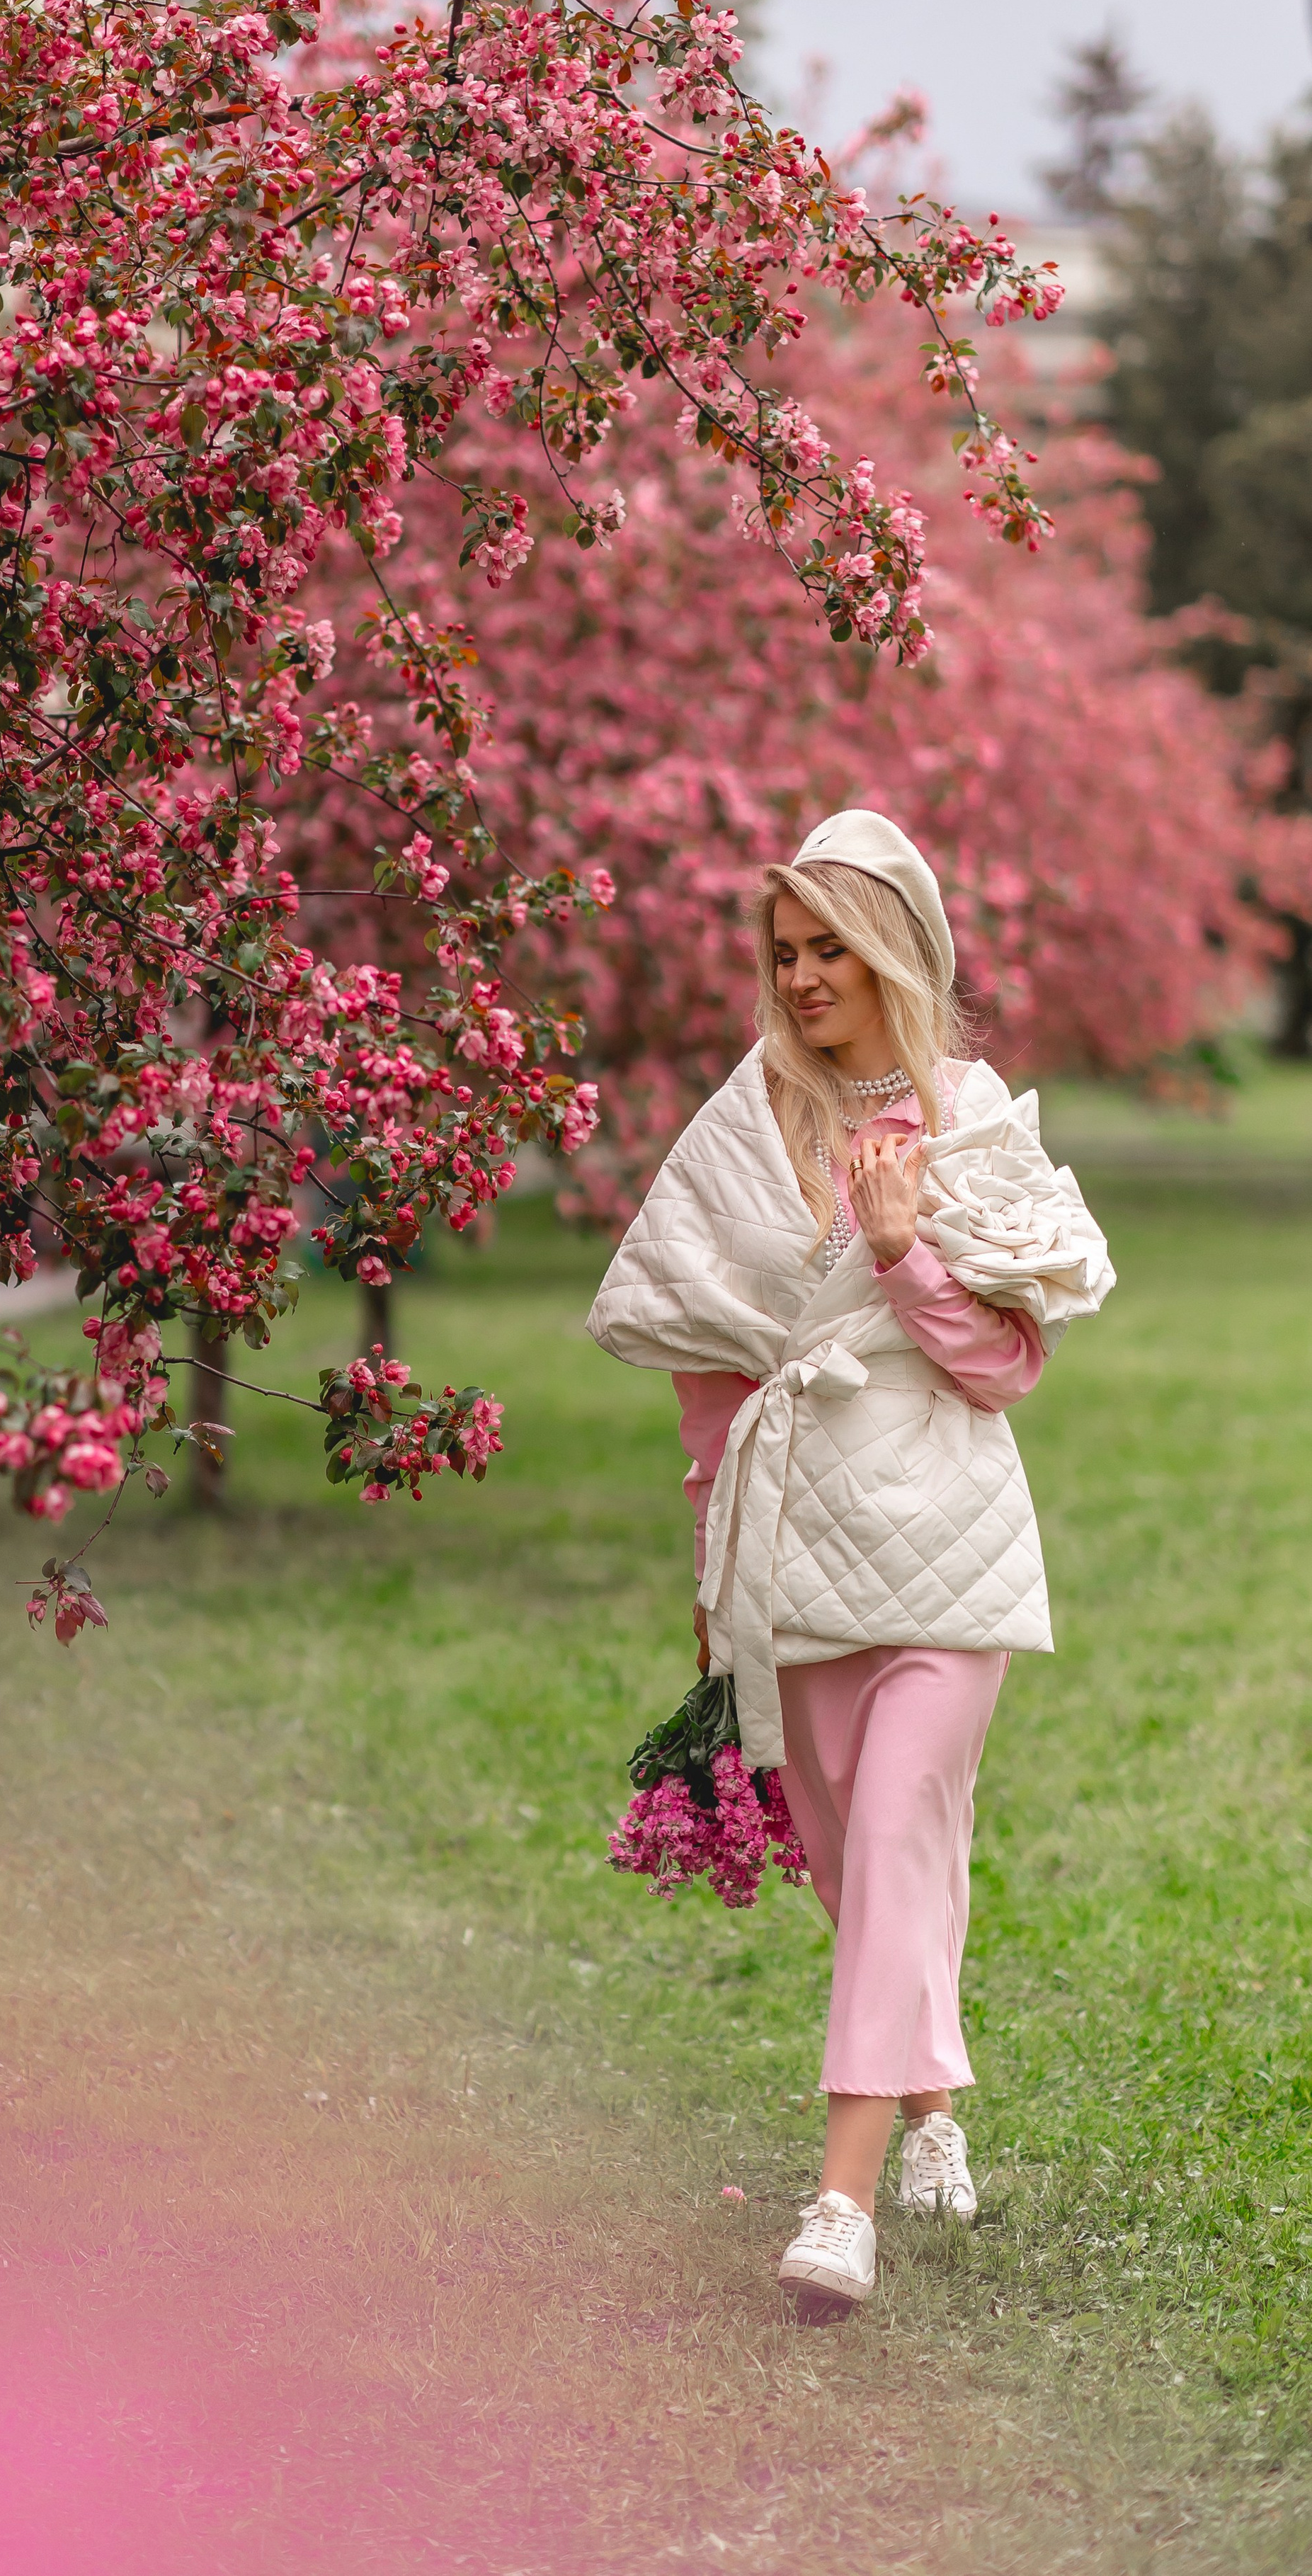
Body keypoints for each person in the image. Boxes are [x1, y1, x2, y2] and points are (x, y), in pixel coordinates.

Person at [586, 810, 1112, 2321]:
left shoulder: (970, 1120)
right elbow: (703, 1373)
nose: (802, 976)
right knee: (850, 1863)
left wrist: (901, 1252)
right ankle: (935, 2111)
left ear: (892, 948)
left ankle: (839, 2205)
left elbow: (1002, 1369)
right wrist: (710, 1572)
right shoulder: (748, 1119)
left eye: (828, 947)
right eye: (783, 951)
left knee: (889, 1837)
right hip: (790, 1553)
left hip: (943, 1549)